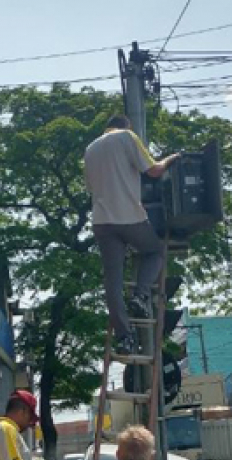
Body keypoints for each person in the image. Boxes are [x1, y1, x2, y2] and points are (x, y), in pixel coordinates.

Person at [84, 115, 181, 355]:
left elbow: (91, 187)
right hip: (129, 217)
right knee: (155, 251)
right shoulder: (127, 137)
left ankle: (124, 338)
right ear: (127, 126)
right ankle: (140, 294)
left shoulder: (90, 149)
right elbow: (155, 170)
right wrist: (173, 157)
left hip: (102, 222)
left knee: (113, 280)